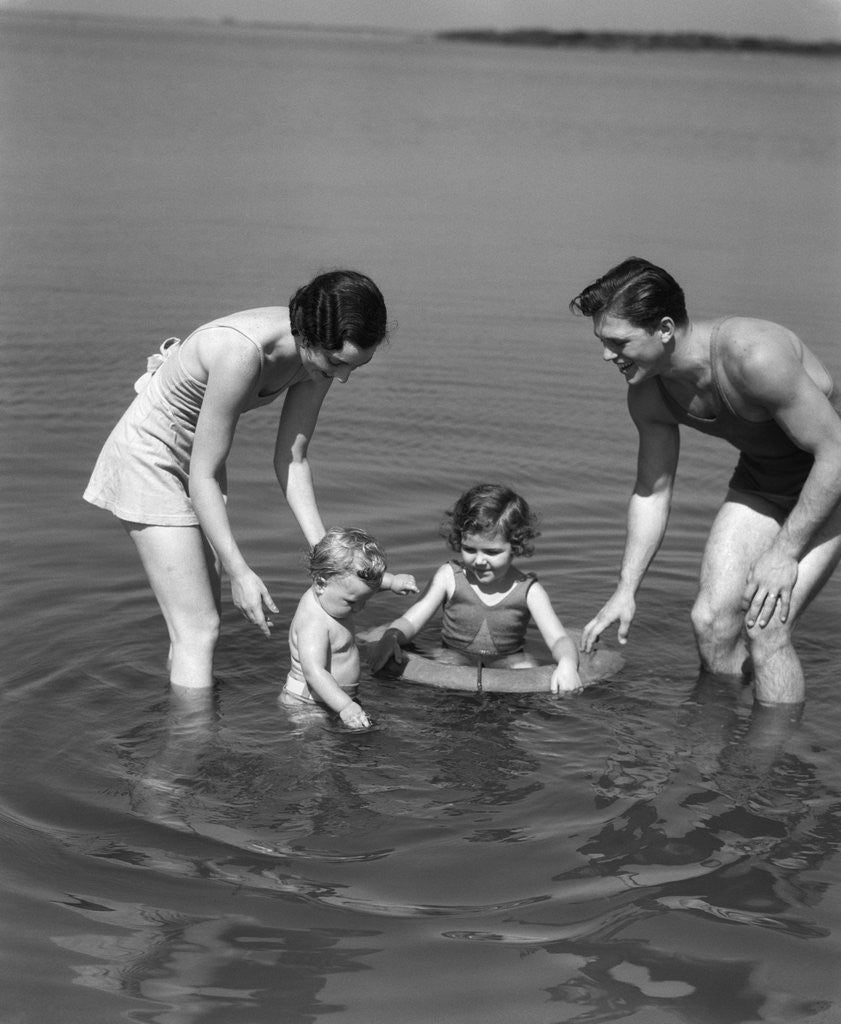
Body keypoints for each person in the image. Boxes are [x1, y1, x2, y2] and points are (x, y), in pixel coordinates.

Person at [84, 270, 391, 690]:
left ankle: (187, 731)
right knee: (201, 628)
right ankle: (191, 748)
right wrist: (240, 572)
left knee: (192, 621)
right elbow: (205, 473)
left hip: (198, 460)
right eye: (338, 363)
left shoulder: (317, 360)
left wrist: (327, 554)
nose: (343, 377)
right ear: (309, 337)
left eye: (356, 366)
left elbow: (292, 458)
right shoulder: (242, 352)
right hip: (151, 459)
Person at [570, 257, 841, 705]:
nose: (606, 354)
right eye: (602, 340)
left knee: (765, 626)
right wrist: (626, 588)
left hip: (831, 480)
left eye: (618, 341)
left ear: (664, 328)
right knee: (712, 623)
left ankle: (769, 768)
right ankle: (725, 739)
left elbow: (834, 453)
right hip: (764, 480)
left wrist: (784, 553)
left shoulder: (753, 355)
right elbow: (652, 491)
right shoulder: (647, 392)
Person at [368, 483, 584, 694]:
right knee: (445, 670)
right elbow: (411, 621)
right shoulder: (448, 577)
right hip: (453, 655)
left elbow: (558, 638)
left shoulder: (530, 591)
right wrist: (391, 637)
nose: (480, 561)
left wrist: (567, 664)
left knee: (527, 672)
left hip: (510, 660)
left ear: (515, 547)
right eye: (470, 549)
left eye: (492, 552)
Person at [280, 527, 418, 729]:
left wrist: (393, 582)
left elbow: (362, 586)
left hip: (334, 699)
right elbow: (314, 671)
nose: (360, 608)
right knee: (320, 753)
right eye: (352, 602)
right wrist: (345, 706)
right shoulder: (314, 622)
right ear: (320, 583)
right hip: (308, 704)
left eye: (365, 600)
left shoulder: (335, 593)